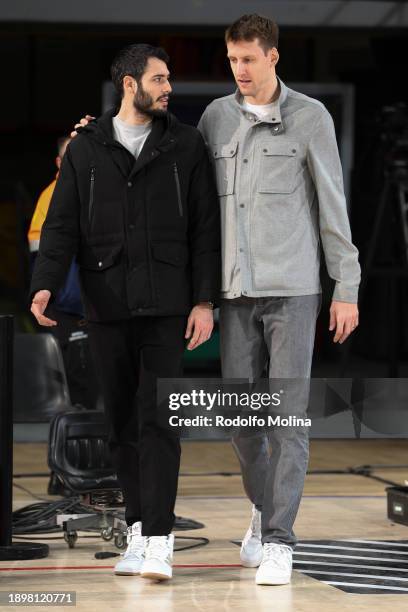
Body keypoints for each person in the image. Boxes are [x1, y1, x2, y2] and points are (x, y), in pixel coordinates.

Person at [29, 43, 220, 582]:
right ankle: (137, 529)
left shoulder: (186, 145)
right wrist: (44, 285)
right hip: (106, 304)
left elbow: (207, 228)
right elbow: (62, 224)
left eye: (169, 78)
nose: (169, 87)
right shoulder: (87, 147)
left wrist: (204, 300)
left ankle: (160, 538)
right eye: (159, 79)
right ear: (129, 85)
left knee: (160, 423)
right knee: (121, 426)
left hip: (168, 306)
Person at [197, 14, 361, 586]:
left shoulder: (310, 117)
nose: (239, 70)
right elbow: (197, 209)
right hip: (234, 293)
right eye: (232, 60)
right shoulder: (214, 119)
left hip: (294, 291)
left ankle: (280, 540)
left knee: (288, 417)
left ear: (272, 58)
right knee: (243, 423)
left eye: (248, 59)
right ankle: (263, 509)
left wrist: (348, 287)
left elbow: (333, 207)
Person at [28, 137, 98, 415]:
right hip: (68, 301)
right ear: (59, 163)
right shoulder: (53, 195)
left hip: (85, 298)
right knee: (77, 373)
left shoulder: (95, 187)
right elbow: (41, 253)